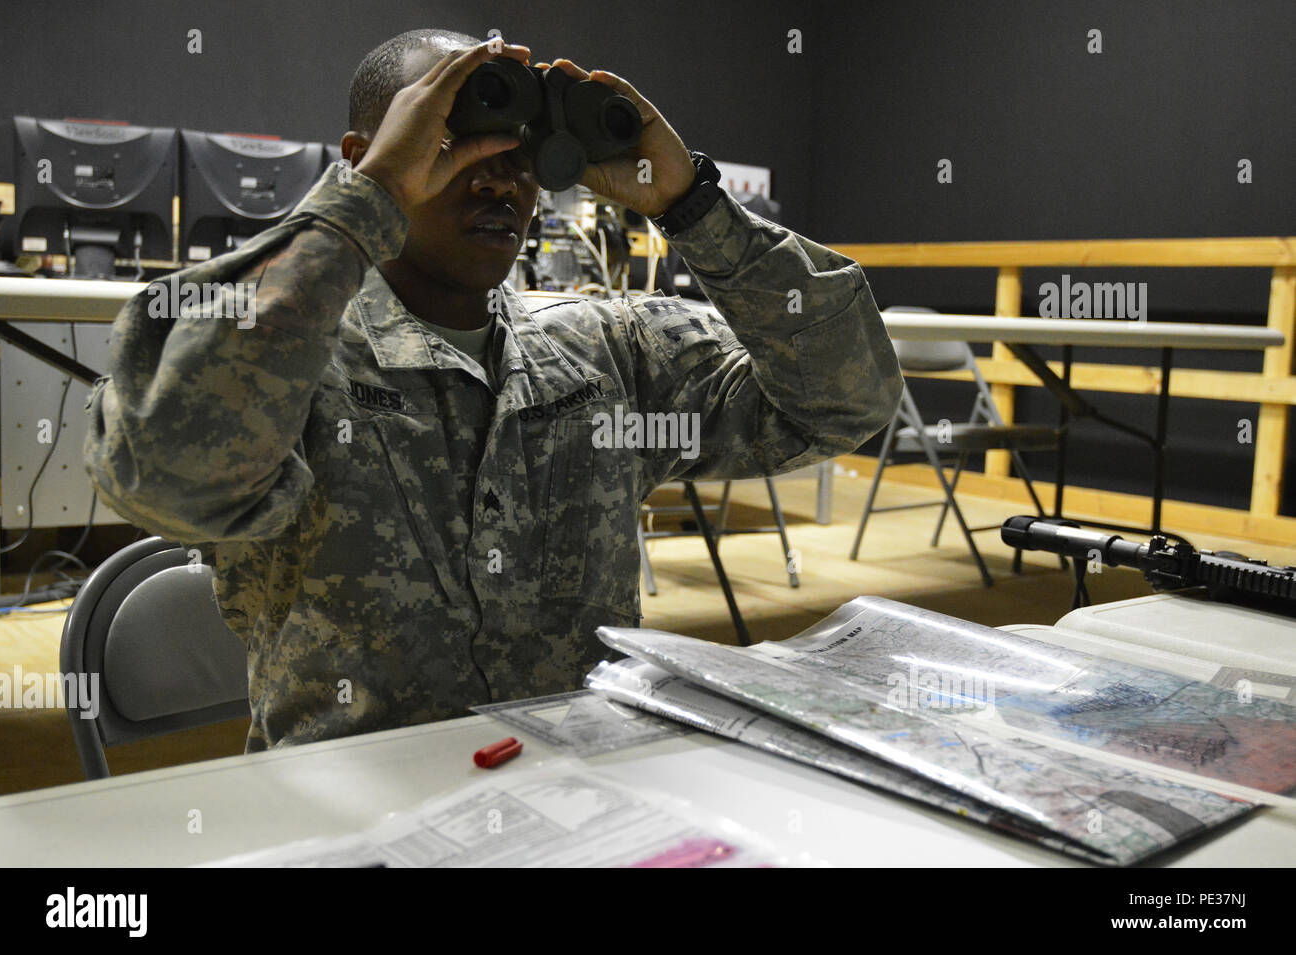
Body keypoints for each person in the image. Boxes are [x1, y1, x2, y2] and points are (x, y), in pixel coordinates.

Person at [83, 28, 902, 751]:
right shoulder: (296, 362)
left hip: (582, 808)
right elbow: (162, 467)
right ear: (364, 155)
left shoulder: (604, 349)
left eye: (518, 155)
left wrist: (693, 207)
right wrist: (364, 205)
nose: (496, 180)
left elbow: (843, 402)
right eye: (453, 143)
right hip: (355, 823)